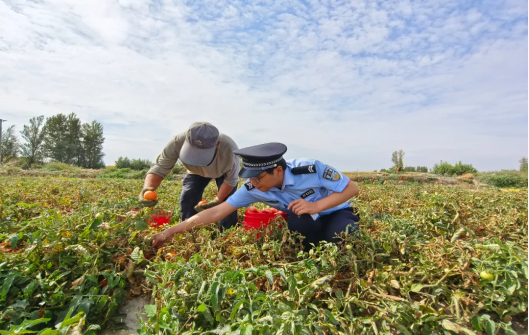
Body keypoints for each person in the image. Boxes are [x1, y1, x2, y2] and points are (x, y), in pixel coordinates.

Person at [151, 142, 360, 249]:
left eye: (258, 178)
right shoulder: (254, 188)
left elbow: (351, 189)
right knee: (300, 227)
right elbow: (217, 212)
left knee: (342, 237)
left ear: (278, 171)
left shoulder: (310, 168)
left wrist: (317, 206)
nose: (253, 184)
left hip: (335, 211)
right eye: (250, 178)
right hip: (304, 218)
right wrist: (171, 231)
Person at [138, 122, 240, 230]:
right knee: (188, 198)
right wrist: (148, 189)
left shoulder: (229, 151)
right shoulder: (177, 142)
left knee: (228, 203)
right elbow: (159, 167)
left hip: (222, 173)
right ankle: (188, 229)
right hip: (195, 172)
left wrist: (217, 200)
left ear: (217, 145)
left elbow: (230, 180)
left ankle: (227, 231)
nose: (197, 158)